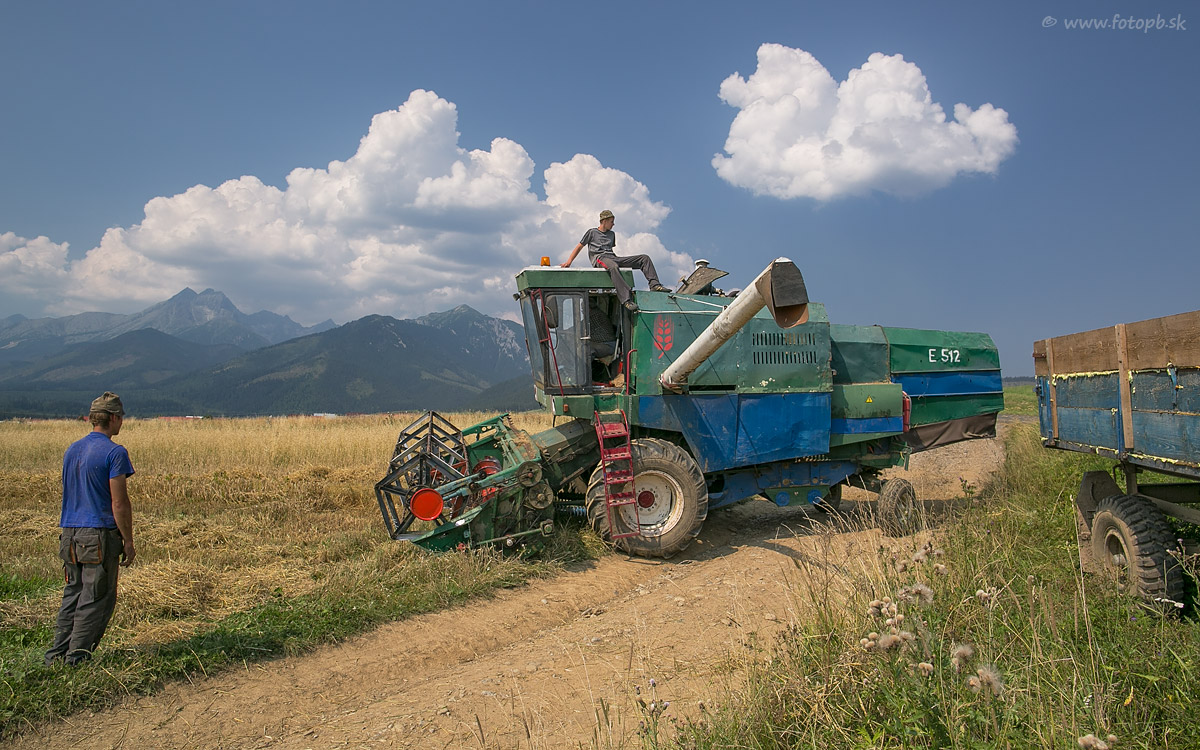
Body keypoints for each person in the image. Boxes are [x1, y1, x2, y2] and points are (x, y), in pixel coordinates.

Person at [44, 392, 136, 666]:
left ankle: (56, 655)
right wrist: (128, 540)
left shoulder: (72, 450)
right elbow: (119, 503)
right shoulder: (115, 453)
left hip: (69, 533)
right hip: (98, 535)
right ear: (114, 418)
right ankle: (77, 658)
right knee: (96, 598)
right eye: (121, 417)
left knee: (73, 593)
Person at [561, 209, 670, 312]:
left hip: (613, 257)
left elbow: (610, 250)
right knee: (613, 266)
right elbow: (579, 247)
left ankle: (654, 285)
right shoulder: (592, 232)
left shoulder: (611, 234)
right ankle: (626, 300)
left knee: (644, 258)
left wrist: (618, 260)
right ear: (604, 221)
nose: (613, 224)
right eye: (611, 222)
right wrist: (569, 262)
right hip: (600, 258)